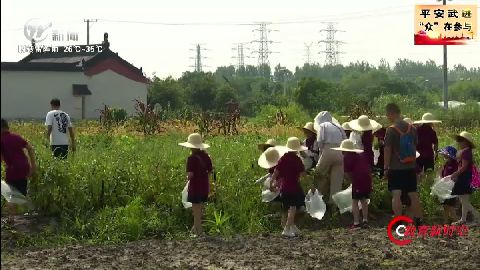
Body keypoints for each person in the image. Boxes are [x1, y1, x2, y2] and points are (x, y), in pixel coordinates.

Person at [383, 103, 423, 226]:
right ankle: (418, 219)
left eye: (387, 114)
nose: (387, 116)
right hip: (410, 166)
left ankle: (398, 220)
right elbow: (414, 146)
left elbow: (388, 150)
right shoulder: (412, 129)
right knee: (412, 193)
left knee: (396, 194)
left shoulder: (391, 130)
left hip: (396, 167)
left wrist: (386, 167)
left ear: (391, 113)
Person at [1, 119, 37, 224]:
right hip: (24, 167)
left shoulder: (1, 140)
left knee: (10, 194)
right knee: (20, 192)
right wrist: (33, 166)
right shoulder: (16, 137)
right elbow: (30, 148)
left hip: (12, 169)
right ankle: (28, 211)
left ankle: (11, 219)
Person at [270, 137, 306, 237]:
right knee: (293, 208)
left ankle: (292, 226)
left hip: (283, 188)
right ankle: (287, 228)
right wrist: (310, 185)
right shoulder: (297, 160)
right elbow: (303, 174)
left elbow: (275, 173)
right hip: (293, 187)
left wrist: (271, 184)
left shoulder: (283, 159)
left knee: (287, 208)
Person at [332, 139, 372, 229]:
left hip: (358, 180)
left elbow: (347, 173)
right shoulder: (360, 156)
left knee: (355, 201)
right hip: (367, 180)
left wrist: (351, 181)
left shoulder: (347, 157)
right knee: (364, 200)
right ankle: (365, 220)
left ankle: (356, 222)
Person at [179, 133, 213, 237]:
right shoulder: (206, 156)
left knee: (196, 211)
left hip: (195, 187)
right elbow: (210, 171)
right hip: (204, 187)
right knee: (200, 210)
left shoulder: (191, 159)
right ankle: (194, 230)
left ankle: (199, 232)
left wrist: (186, 179)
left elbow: (190, 175)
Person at [314, 111, 347, 204]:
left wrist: (322, 152)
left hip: (328, 150)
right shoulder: (338, 126)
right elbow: (345, 140)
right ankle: (334, 205)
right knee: (337, 180)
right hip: (340, 152)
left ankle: (319, 200)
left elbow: (320, 142)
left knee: (319, 174)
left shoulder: (323, 125)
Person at [450, 131, 480, 225]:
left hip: (465, 177)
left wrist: (455, 174)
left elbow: (464, 167)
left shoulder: (466, 152)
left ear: (466, 142)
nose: (459, 142)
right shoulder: (465, 151)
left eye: (461, 140)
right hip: (464, 176)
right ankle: (463, 219)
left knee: (464, 199)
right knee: (463, 199)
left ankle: (477, 217)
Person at [438, 146, 459, 224]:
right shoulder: (446, 163)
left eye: (446, 155)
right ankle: (445, 222)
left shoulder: (455, 164)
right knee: (445, 206)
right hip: (445, 187)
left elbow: (456, 176)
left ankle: (456, 221)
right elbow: (442, 173)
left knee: (450, 206)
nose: (444, 156)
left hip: (452, 188)